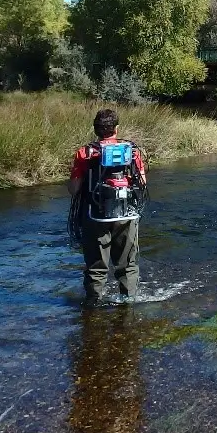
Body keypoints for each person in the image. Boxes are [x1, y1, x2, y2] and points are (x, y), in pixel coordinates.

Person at [68, 108, 147, 303]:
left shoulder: (84, 153)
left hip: (96, 214)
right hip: (127, 214)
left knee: (96, 264)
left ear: (96, 129)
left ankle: (94, 303)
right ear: (116, 129)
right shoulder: (133, 151)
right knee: (128, 263)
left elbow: (74, 189)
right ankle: (128, 302)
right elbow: (142, 183)